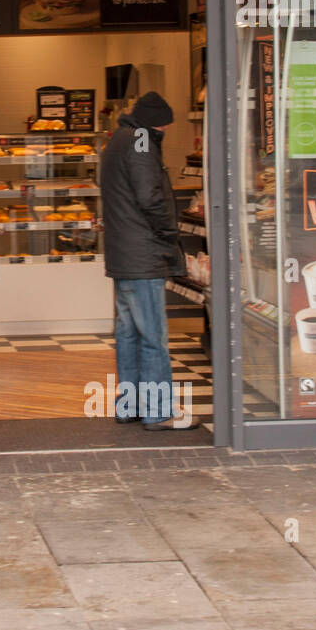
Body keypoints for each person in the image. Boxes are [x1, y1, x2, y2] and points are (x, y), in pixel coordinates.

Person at [99, 91, 198, 430]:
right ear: (160, 123)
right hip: (142, 254)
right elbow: (149, 196)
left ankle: (129, 406)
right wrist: (169, 230)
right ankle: (159, 411)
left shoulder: (118, 139)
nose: (166, 132)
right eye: (166, 127)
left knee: (128, 334)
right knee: (153, 336)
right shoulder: (141, 140)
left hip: (123, 254)